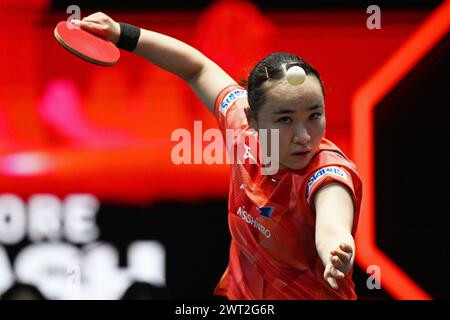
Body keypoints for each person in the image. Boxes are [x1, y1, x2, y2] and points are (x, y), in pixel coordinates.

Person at [71, 12, 362, 300]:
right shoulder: (242, 132)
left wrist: (336, 248)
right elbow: (196, 67)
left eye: (314, 115)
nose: (304, 135)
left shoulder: (327, 173)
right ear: (253, 119)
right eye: (285, 120)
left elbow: (333, 224)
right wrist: (121, 33)